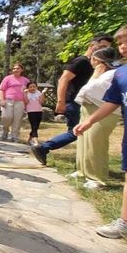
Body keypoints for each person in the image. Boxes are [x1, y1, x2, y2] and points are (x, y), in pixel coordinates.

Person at [74, 21, 127, 239]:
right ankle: (126, 224)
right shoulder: (121, 74)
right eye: (120, 42)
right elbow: (111, 102)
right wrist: (89, 121)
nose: (122, 46)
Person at [32, 34, 113, 165]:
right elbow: (63, 79)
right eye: (102, 47)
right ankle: (44, 148)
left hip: (86, 103)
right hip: (75, 103)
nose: (105, 51)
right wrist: (60, 101)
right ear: (92, 46)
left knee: (82, 133)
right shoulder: (81, 61)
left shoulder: (99, 65)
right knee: (75, 132)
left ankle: (82, 164)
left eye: (107, 48)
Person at [72, 47, 121, 189]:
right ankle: (82, 171)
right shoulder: (101, 74)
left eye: (93, 59)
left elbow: (88, 89)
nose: (91, 62)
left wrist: (94, 76)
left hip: (103, 111)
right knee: (84, 140)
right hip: (89, 108)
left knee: (95, 142)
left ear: (99, 61)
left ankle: (98, 178)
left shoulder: (112, 74)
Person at [0, 62, 30, 141]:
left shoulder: (26, 80)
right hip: (8, 100)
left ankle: (14, 136)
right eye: (14, 68)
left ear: (21, 70)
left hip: (20, 102)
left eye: (17, 68)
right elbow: (1, 89)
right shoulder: (7, 78)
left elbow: (30, 91)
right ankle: (5, 130)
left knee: (17, 119)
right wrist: (2, 100)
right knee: (6, 117)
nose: (15, 70)